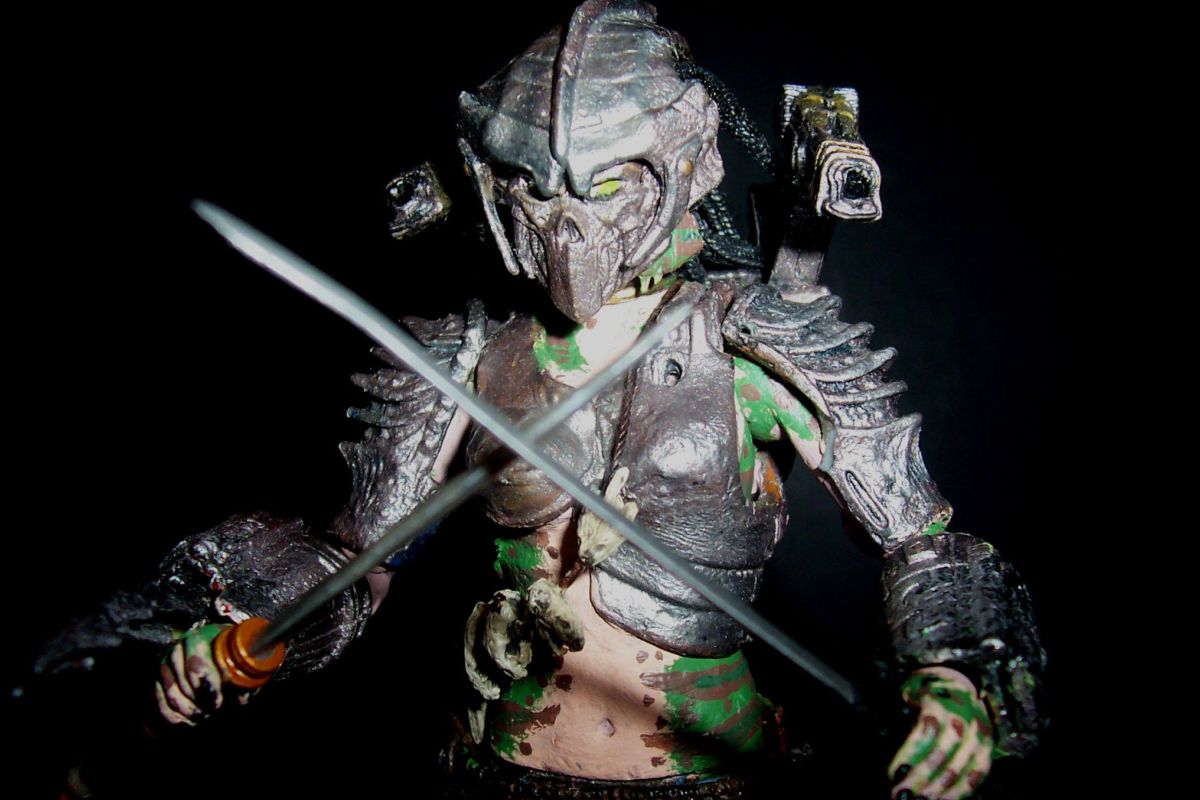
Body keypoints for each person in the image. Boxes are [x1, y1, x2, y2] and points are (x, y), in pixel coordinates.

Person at [37, 3, 1045, 798]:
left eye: (601, 191)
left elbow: (924, 539)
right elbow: (355, 564)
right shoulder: (466, 354)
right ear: (493, 182)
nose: (567, 232)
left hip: (706, 772)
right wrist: (257, 629)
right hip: (496, 763)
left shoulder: (755, 339)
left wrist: (953, 677)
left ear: (678, 167)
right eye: (536, 190)